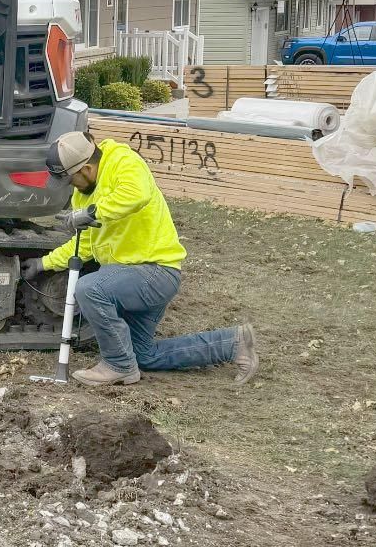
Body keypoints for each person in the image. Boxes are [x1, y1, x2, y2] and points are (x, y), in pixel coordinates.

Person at [28, 130, 258, 387]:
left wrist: (92, 212)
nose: (70, 187)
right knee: (143, 354)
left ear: (86, 169)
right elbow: (87, 246)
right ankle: (232, 343)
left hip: (155, 272)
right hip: (132, 278)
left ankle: (117, 365)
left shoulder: (123, 162)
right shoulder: (85, 194)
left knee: (89, 289)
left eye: (70, 180)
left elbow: (136, 194)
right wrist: (43, 263)